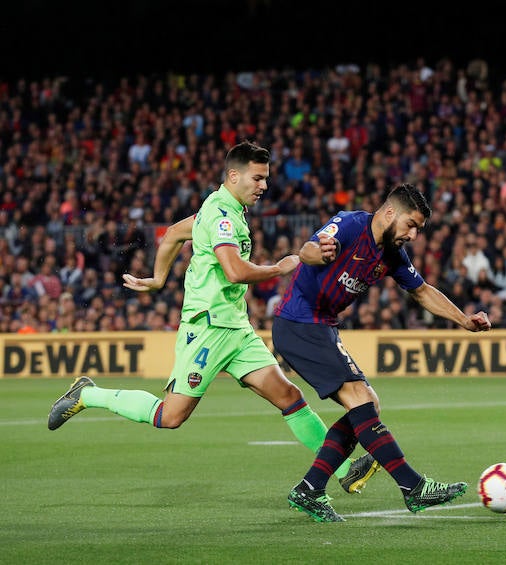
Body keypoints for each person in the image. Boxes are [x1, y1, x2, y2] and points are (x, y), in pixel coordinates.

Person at [47, 141, 378, 498]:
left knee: (289, 396)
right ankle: (89, 394)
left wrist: (160, 279)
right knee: (170, 417)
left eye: (266, 178)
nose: (264, 185)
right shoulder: (221, 214)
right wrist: (279, 268)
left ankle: (344, 471)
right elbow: (234, 271)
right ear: (233, 176)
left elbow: (173, 233)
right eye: (257, 178)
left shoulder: (223, 208)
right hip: (206, 328)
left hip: (235, 327)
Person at [272, 183, 492, 522]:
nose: (414, 235)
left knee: (368, 404)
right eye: (411, 225)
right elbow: (308, 250)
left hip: (322, 327)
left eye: (419, 229)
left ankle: (310, 487)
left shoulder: (390, 251)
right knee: (360, 398)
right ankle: (413, 486)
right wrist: (322, 251)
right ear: (390, 213)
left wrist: (463, 319)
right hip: (300, 323)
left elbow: (421, 291)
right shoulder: (350, 224)